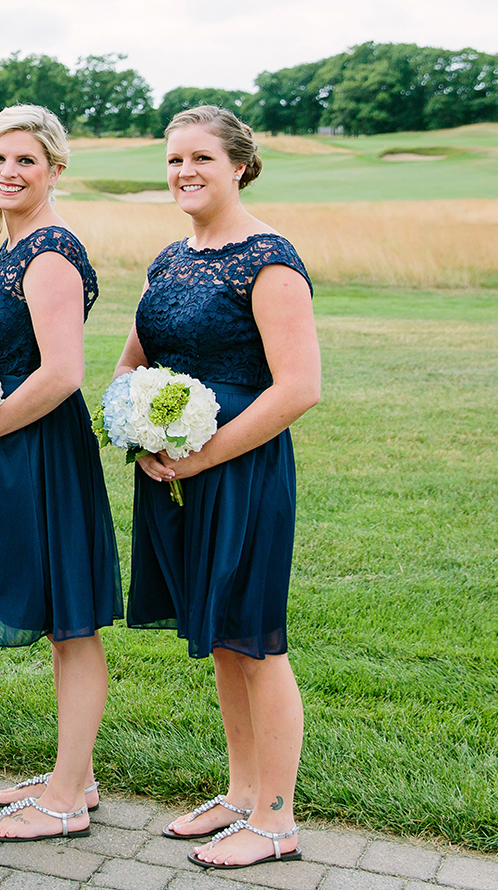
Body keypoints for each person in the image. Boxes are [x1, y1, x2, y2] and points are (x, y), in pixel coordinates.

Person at [113, 105, 319, 869]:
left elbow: (298, 387)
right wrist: (138, 431)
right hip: (175, 473)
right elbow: (130, 365)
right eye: (174, 159)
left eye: (201, 157)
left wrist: (203, 457)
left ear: (239, 164)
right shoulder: (168, 260)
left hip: (242, 472)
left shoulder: (268, 260)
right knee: (225, 641)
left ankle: (275, 819)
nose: (184, 171)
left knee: (255, 639)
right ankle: (240, 793)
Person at [0, 106, 121, 840]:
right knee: (57, 618)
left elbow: (61, 372)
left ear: (54, 169)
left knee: (70, 622)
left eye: (26, 160)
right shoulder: (13, 245)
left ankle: (69, 796)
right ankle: (71, 775)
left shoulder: (49, 251)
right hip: (17, 446)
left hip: (40, 446)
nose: (8, 172)